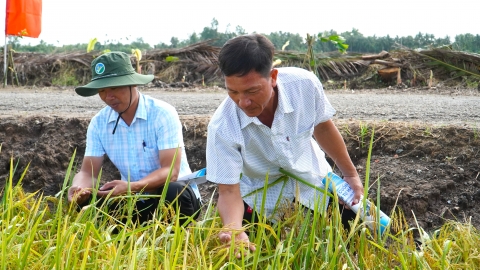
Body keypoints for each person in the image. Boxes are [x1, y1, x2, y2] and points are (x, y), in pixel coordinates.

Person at [206, 34, 364, 250]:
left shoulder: (304, 86)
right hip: (260, 196)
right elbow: (228, 191)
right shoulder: (223, 125)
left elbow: (323, 127)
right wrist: (234, 228)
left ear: (272, 77)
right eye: (233, 92)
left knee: (359, 237)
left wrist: (350, 174)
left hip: (312, 182)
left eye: (252, 91)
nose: (243, 102)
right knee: (256, 252)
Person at [68, 51, 201, 226]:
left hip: (172, 196)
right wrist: (78, 188)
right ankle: (127, 233)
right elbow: (88, 172)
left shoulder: (162, 114)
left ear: (133, 84)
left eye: (114, 88)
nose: (108, 97)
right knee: (87, 202)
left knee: (172, 191)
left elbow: (171, 171)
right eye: (102, 90)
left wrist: (132, 186)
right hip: (132, 200)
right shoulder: (99, 123)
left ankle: (168, 235)